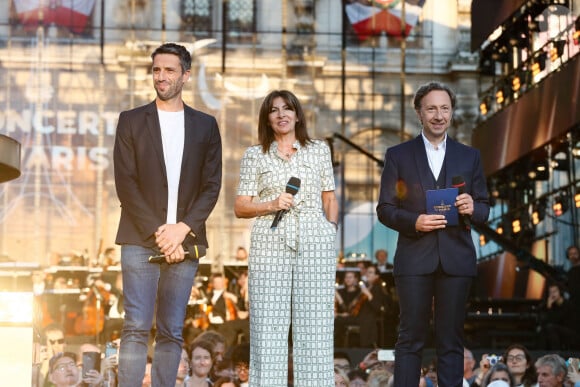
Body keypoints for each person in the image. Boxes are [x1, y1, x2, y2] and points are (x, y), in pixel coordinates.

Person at [113, 42, 222, 387]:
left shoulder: (205, 125)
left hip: (186, 242)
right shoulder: (130, 120)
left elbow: (212, 184)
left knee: (172, 330)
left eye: (170, 70)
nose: (161, 76)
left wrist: (182, 229)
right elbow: (125, 183)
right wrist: (162, 232)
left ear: (186, 76)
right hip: (139, 238)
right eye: (156, 69)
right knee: (135, 326)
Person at [376, 81, 490, 387]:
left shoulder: (470, 156)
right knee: (410, 337)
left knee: (451, 340)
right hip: (414, 259)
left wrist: (471, 207)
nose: (439, 115)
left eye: (444, 108)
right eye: (431, 109)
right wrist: (415, 222)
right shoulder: (398, 155)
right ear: (419, 113)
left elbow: (485, 209)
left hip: (457, 259)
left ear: (451, 112)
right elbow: (384, 209)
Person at [234, 89, 339, 386]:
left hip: (315, 238)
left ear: (297, 115)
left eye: (287, 108)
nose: (281, 114)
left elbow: (330, 198)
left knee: (315, 325)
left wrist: (329, 231)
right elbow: (240, 206)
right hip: (270, 237)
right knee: (268, 326)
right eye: (274, 110)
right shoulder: (254, 155)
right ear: (266, 119)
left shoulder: (319, 149)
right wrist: (270, 204)